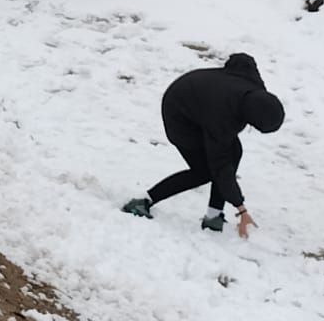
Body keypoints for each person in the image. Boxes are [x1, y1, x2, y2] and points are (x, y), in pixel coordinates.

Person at [122, 53, 285, 235]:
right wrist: (241, 207)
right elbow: (220, 165)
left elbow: (242, 61)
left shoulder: (253, 86)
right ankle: (143, 201)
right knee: (204, 171)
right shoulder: (222, 118)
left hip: (198, 99)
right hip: (179, 115)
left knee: (234, 151)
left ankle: (214, 214)